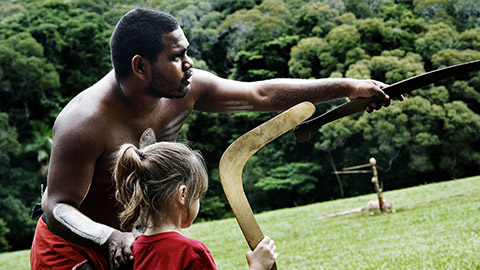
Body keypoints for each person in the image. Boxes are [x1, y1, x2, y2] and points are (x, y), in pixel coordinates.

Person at [30, 8, 400, 270]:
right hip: (72, 249)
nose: (190, 63)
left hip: (135, 245)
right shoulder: (84, 121)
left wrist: (348, 87)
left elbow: (261, 95)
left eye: (187, 52)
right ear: (140, 66)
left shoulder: (186, 90)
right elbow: (57, 205)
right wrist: (107, 238)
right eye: (177, 57)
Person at [113, 142, 277, 269]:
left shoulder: (130, 252)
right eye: (198, 195)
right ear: (183, 194)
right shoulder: (191, 253)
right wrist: (258, 266)